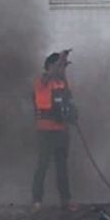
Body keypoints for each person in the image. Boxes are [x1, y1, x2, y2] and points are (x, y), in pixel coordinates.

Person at [31, 50, 79, 211]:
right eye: (61, 66)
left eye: (64, 67)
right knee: (42, 165)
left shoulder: (63, 84)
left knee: (62, 167)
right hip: (45, 131)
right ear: (51, 66)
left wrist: (72, 114)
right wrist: (59, 61)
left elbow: (69, 103)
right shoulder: (42, 82)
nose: (63, 69)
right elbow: (48, 77)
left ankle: (66, 200)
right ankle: (36, 200)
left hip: (62, 131)